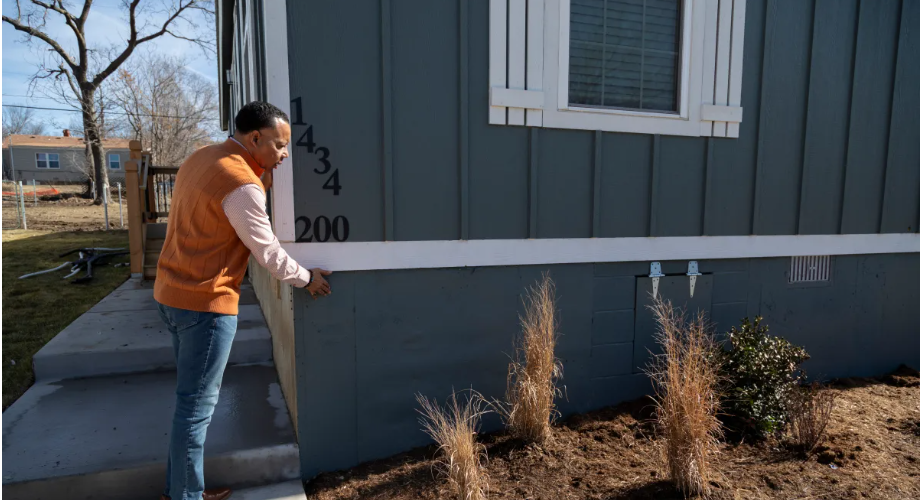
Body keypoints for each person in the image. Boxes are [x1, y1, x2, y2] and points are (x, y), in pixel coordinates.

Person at [153, 101, 331, 500]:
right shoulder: (241, 185)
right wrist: (307, 280)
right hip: (205, 306)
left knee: (188, 404)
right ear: (255, 138)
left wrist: (262, 175)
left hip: (170, 294)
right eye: (280, 145)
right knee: (194, 409)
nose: (285, 154)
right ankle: (184, 496)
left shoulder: (203, 157)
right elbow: (266, 251)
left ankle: (184, 489)